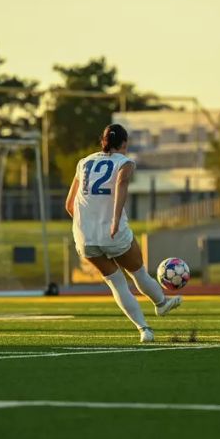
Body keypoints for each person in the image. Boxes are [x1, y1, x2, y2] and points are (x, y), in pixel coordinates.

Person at [66, 124, 182, 343]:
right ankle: (161, 304)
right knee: (138, 272)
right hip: (113, 232)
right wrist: (115, 220)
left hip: (84, 236)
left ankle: (144, 330)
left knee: (116, 283)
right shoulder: (125, 163)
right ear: (125, 144)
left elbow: (69, 206)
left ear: (102, 141)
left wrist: (86, 224)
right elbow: (121, 185)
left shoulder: (83, 163)